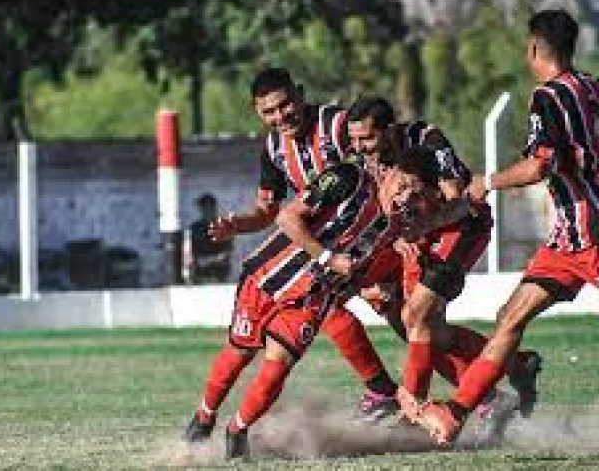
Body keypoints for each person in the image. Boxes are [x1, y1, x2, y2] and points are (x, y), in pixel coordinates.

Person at [415, 8, 599, 446]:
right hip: (566, 242)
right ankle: (457, 413)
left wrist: (487, 182)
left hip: (598, 238)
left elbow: (540, 165)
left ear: (534, 48)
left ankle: (460, 409)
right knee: (509, 317)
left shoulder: (547, 98)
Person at [183, 149, 450, 459]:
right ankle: (204, 416)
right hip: (266, 276)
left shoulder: (396, 227)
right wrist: (326, 257)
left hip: (312, 298)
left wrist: (373, 287)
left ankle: (237, 431)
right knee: (239, 352)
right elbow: (287, 217)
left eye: (413, 193)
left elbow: (357, 268)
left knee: (277, 367)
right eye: (401, 185)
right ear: (387, 171)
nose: (402, 197)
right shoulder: (348, 179)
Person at [206, 67, 400, 421]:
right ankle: (398, 391)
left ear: (299, 93)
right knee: (388, 315)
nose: (281, 117)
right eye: (269, 112)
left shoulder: (338, 125)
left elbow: (383, 143)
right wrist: (237, 225)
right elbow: (268, 210)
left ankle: (398, 392)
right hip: (336, 249)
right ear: (257, 112)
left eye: (286, 105)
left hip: (378, 234)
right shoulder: (272, 147)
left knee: (409, 314)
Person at [344, 97, 542, 428]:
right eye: (353, 139)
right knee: (414, 325)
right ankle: (512, 368)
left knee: (416, 313)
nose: (359, 147)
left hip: (459, 226)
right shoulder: (367, 158)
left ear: (389, 131)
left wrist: (420, 227)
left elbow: (459, 200)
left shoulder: (428, 141)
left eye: (366, 138)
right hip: (415, 234)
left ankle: (414, 413)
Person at [183, 193, 234, 284]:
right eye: (203, 207)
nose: (206, 210)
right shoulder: (195, 228)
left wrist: (210, 260)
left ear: (214, 208)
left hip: (218, 270)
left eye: (208, 207)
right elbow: (190, 253)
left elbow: (226, 253)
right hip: (199, 269)